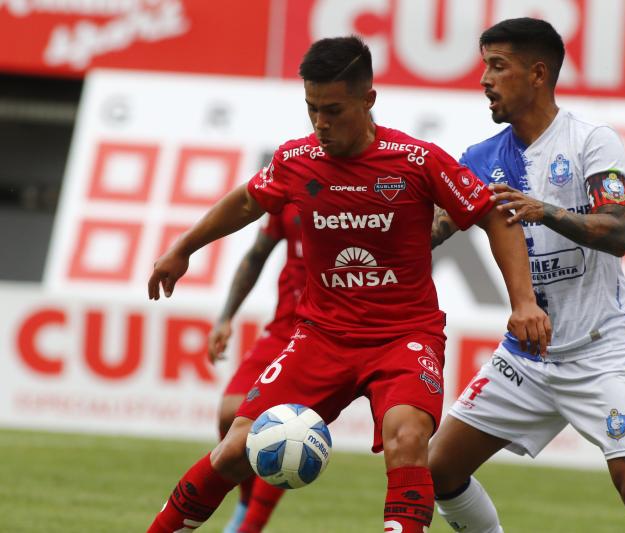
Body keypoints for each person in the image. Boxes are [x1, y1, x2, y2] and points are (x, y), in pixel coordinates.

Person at [146, 35, 549, 533]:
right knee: (237, 446)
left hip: (404, 337)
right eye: (312, 109)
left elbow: (493, 216)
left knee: (408, 439)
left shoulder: (416, 160)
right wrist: (183, 247)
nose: (321, 123)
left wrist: (523, 302)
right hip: (321, 337)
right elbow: (247, 201)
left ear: (368, 100)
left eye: (333, 110)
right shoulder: (296, 160)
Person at [427, 18, 625, 532]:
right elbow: (434, 229)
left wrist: (543, 210)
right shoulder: (480, 160)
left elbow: (618, 231)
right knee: (440, 468)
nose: (485, 79)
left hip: (600, 348)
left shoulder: (592, 141)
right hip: (528, 354)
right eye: (484, 66)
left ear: (537, 73)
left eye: (498, 66)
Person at [207, 208, 303, 532]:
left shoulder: (361, 196)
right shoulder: (291, 192)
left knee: (286, 426)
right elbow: (256, 254)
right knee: (230, 413)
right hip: (284, 327)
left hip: (329, 331)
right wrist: (225, 317)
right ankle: (246, 503)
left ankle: (250, 525)